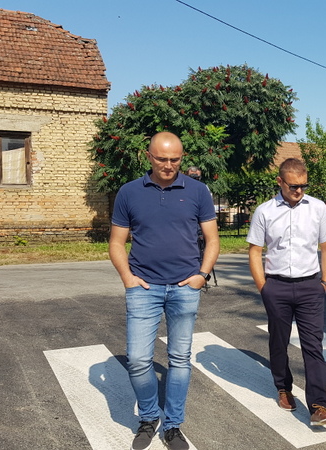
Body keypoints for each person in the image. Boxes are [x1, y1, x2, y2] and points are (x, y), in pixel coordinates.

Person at [109, 132, 219, 450]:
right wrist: (128, 278)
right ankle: (148, 417)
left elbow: (212, 239)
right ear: (149, 156)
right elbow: (116, 242)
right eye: (161, 159)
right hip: (143, 287)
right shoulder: (129, 192)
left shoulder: (198, 191)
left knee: (179, 359)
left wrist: (202, 275)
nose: (169, 165)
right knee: (138, 360)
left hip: (185, 288)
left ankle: (172, 425)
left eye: (175, 159)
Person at [246, 157, 326, 427]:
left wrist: (325, 282)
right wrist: (264, 287)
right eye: (293, 186)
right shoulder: (264, 211)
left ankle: (319, 406)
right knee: (279, 341)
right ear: (280, 182)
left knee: (313, 346)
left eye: (303, 186)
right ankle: (283, 387)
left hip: (311, 286)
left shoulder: (317, 208)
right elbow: (255, 251)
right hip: (277, 286)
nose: (299, 191)